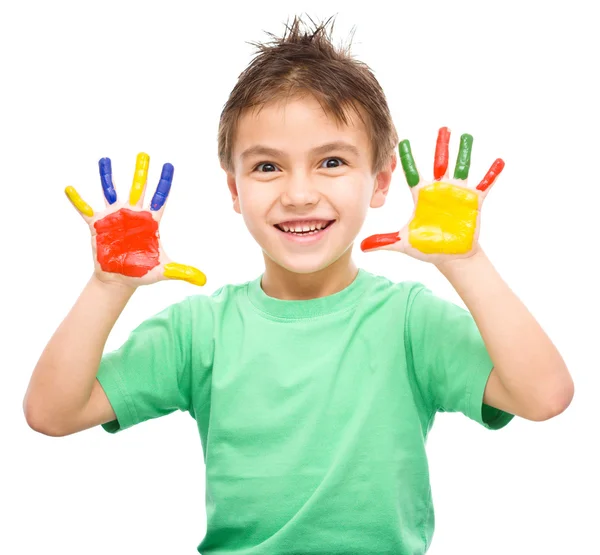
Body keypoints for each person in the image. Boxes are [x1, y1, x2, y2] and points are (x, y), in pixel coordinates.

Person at [23, 14, 574, 555]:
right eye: (267, 167)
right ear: (234, 190)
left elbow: (544, 396)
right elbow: (52, 413)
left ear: (380, 181)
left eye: (331, 161)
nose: (299, 194)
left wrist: (467, 262)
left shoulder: (409, 321)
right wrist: (107, 285)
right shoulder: (200, 332)